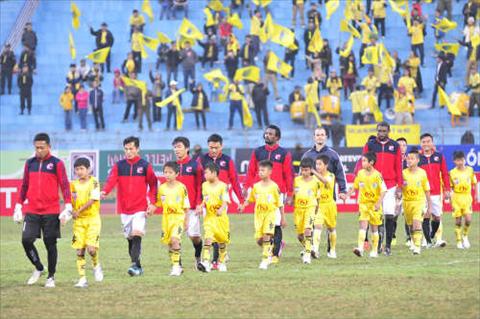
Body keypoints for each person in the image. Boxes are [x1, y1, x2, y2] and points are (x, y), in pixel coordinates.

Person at [13, 133, 72, 288]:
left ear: (49, 147)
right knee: (26, 240)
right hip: (32, 210)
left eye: (42, 147)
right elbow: (25, 185)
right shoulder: (29, 163)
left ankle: (51, 277)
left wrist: (68, 206)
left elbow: (65, 185)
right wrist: (18, 205)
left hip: (51, 211)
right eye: (36, 147)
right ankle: (39, 267)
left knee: (50, 244)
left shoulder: (57, 163)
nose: (38, 150)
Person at [101, 136, 158, 276]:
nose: (128, 152)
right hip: (125, 209)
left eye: (131, 149)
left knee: (137, 233)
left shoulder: (145, 166)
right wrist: (105, 191)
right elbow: (111, 180)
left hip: (140, 207)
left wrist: (153, 203)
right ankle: (137, 265)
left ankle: (133, 265)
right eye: (126, 149)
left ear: (137, 149)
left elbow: (154, 184)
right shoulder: (119, 165)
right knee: (130, 238)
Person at [244, 125, 294, 264]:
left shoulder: (284, 154)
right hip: (260, 191)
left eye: (271, 134)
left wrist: (290, 193)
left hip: (277, 192)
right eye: (266, 133)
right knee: (260, 234)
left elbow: (289, 174)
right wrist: (246, 186)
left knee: (276, 224)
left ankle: (275, 255)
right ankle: (275, 246)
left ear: (277, 137)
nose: (267, 135)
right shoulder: (258, 152)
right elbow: (251, 170)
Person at [355, 122, 403, 256]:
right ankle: (378, 245)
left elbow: (398, 166)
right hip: (372, 187)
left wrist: (400, 186)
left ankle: (387, 246)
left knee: (389, 215)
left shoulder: (395, 146)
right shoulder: (370, 145)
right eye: (379, 131)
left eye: (384, 131)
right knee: (374, 217)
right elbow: (362, 163)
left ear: (389, 131)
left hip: (390, 185)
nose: (381, 134)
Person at [200, 134, 244, 270]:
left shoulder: (227, 160)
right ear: (208, 146)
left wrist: (240, 200)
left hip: (221, 201)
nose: (213, 150)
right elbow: (197, 181)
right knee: (209, 231)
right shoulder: (201, 160)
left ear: (222, 146)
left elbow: (235, 180)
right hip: (207, 200)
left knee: (220, 233)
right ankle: (212, 261)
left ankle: (220, 257)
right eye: (211, 147)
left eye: (216, 147)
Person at [241, 160, 282, 270]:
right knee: (260, 240)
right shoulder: (256, 186)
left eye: (263, 170)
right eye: (259, 170)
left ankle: (265, 260)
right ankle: (271, 249)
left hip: (270, 215)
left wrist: (282, 218)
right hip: (259, 216)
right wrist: (243, 206)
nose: (260, 172)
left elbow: (280, 204)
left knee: (267, 235)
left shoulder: (274, 187)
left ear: (270, 172)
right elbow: (250, 199)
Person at [69, 157, 103, 288]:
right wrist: (71, 211)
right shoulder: (73, 185)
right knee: (79, 250)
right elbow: (71, 202)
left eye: (82, 169)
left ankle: (96, 265)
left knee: (91, 250)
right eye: (77, 169)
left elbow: (93, 199)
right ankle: (82, 278)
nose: (79, 171)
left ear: (88, 169)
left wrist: (79, 211)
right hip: (79, 222)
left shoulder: (94, 182)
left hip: (92, 220)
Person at [172, 136, 204, 270]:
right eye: (175, 147)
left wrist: (198, 203)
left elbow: (200, 186)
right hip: (176, 209)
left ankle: (198, 258)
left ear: (187, 149)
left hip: (191, 208)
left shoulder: (195, 165)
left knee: (194, 237)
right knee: (175, 237)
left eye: (179, 147)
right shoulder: (172, 166)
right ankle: (177, 265)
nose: (176, 150)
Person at [348, 152, 386, 258]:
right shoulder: (360, 173)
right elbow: (354, 186)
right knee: (362, 225)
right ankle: (360, 248)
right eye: (362, 160)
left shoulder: (377, 175)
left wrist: (378, 203)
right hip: (363, 204)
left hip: (374, 205)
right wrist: (347, 195)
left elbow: (383, 190)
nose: (362, 163)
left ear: (371, 162)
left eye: (364, 161)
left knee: (374, 228)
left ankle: (374, 250)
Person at [156, 161, 190, 276]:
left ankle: (176, 267)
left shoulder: (181, 187)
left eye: (170, 172)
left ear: (176, 174)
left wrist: (186, 221)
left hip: (178, 218)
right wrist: (150, 209)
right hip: (166, 220)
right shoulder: (161, 188)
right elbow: (158, 203)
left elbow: (186, 206)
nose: (167, 175)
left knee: (175, 240)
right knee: (170, 243)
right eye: (165, 172)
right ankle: (176, 265)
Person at [196, 163, 231, 272]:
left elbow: (225, 200)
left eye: (206, 173)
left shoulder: (223, 186)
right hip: (210, 218)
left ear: (214, 173)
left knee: (222, 242)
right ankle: (206, 262)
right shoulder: (204, 185)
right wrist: (201, 206)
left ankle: (222, 261)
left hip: (221, 219)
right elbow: (205, 199)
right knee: (208, 239)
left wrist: (221, 209)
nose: (204, 175)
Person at [418, 133, 451, 247]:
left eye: (428, 141)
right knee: (425, 215)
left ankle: (433, 236)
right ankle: (427, 241)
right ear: (420, 144)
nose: (426, 144)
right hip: (422, 193)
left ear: (432, 143)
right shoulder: (417, 157)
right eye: (424, 142)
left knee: (437, 217)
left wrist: (447, 189)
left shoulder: (439, 156)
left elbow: (445, 173)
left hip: (437, 192)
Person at [402, 148, 432, 255]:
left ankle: (418, 247)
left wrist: (429, 205)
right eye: (408, 158)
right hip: (407, 202)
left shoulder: (422, 173)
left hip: (419, 202)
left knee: (416, 222)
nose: (409, 160)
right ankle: (415, 242)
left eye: (412, 158)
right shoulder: (403, 173)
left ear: (417, 160)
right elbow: (399, 188)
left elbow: (427, 190)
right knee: (410, 227)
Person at [293, 158, 319, 264]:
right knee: (300, 236)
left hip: (310, 208)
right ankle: (310, 247)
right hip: (298, 210)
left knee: (308, 230)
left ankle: (307, 255)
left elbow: (318, 197)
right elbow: (293, 195)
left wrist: (316, 209)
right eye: (303, 170)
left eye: (307, 170)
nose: (304, 172)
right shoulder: (296, 180)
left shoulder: (315, 181)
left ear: (311, 170)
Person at [449, 151, 477, 249]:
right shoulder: (452, 173)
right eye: (457, 160)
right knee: (458, 221)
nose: (460, 162)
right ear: (454, 161)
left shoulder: (470, 170)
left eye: (461, 160)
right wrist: (450, 197)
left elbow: (475, 182)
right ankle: (459, 241)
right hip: (456, 197)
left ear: (464, 160)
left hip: (467, 197)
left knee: (468, 219)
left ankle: (465, 235)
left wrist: (477, 195)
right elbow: (451, 187)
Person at [314, 155, 338, 259]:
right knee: (317, 226)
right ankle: (315, 250)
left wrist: (313, 171)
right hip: (319, 206)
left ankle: (332, 250)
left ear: (326, 165)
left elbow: (325, 181)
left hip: (330, 205)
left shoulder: (331, 176)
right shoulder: (313, 178)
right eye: (316, 164)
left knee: (331, 228)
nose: (317, 166)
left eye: (320, 164)